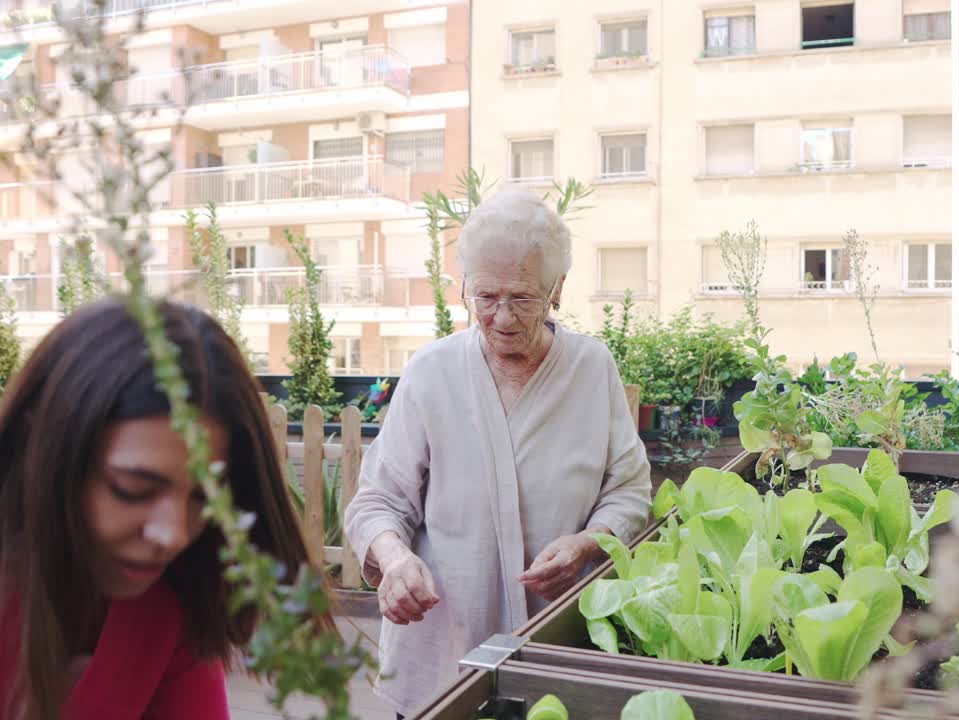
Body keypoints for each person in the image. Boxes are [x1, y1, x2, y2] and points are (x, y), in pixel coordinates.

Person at [344, 187, 653, 715]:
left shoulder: (592, 368)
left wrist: (586, 544)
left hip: (555, 652)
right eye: (485, 297)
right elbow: (376, 502)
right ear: (465, 285)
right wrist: (394, 560)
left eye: (523, 298)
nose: (503, 318)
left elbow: (628, 492)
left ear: (557, 289)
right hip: (442, 653)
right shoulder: (431, 372)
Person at [0, 299, 325, 720]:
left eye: (206, 498)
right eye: (133, 489)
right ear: (37, 450)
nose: (173, 534)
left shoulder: (170, 604)